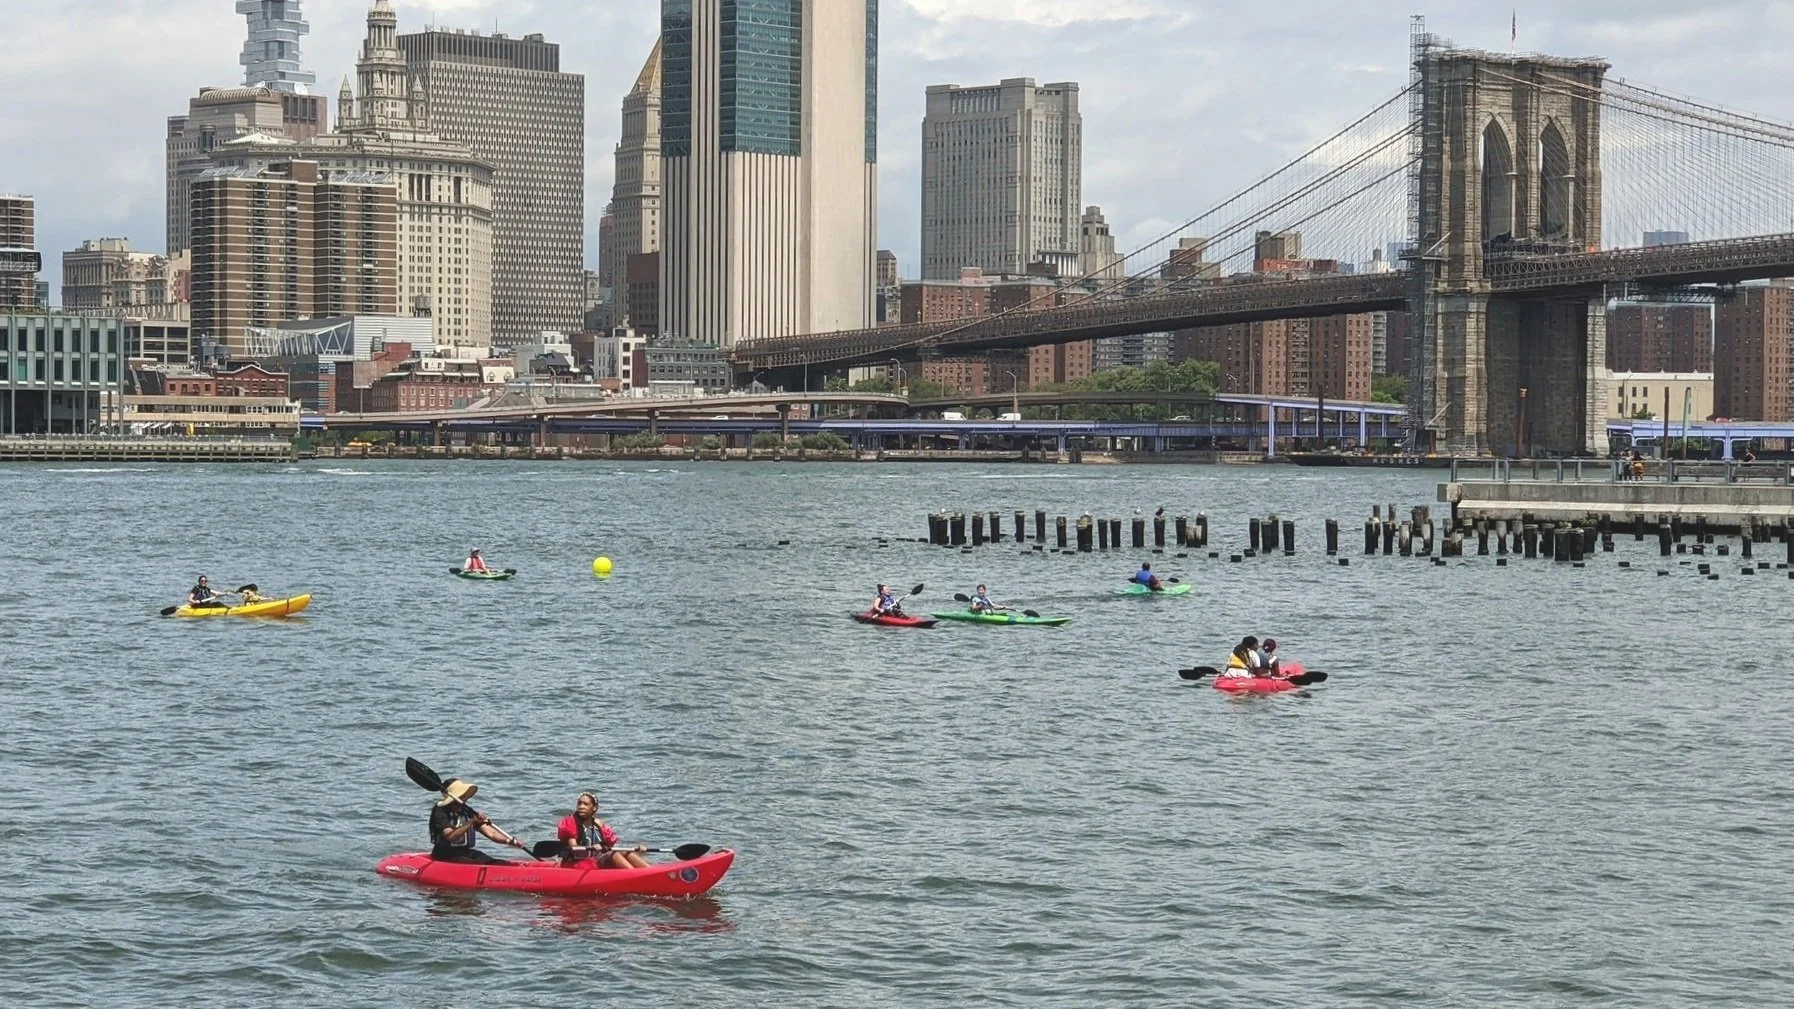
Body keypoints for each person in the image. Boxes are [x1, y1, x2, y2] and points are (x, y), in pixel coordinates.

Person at [429, 778, 526, 864]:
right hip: (444, 854)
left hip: (464, 851)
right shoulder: (440, 811)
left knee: (495, 862)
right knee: (472, 863)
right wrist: (471, 822)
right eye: (461, 794)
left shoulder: (467, 811)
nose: (465, 797)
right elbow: (450, 836)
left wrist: (509, 841)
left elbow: (491, 833)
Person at [556, 792, 649, 869]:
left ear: (594, 808)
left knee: (623, 852)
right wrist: (592, 847)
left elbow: (609, 847)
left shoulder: (598, 825)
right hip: (578, 864)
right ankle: (634, 876)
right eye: (579, 803)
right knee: (613, 854)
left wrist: (637, 850)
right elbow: (574, 849)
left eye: (586, 804)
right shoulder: (571, 823)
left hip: (597, 860)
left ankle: (648, 871)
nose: (581, 806)